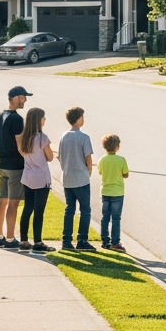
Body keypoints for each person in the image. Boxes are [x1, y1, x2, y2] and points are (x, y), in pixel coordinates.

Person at [0, 86, 31, 249]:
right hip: (15, 166)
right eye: (23, 97)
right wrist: (30, 159)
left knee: (3, 200)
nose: (25, 100)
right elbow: (20, 145)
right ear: (15, 98)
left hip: (2, 164)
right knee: (13, 203)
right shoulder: (17, 119)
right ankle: (10, 239)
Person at [17, 107, 55, 253]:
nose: (45, 120)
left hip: (28, 177)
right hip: (41, 179)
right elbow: (50, 157)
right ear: (39, 120)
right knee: (39, 211)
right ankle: (38, 241)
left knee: (27, 208)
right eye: (43, 118)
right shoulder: (42, 138)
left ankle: (24, 240)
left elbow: (23, 154)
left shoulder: (23, 138)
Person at [58, 106, 96, 251]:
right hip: (81, 178)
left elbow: (60, 157)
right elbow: (88, 158)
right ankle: (82, 240)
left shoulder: (64, 136)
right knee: (85, 209)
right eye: (82, 117)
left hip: (67, 178)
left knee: (70, 209)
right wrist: (89, 172)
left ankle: (66, 240)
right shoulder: (84, 138)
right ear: (79, 119)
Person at [98, 134, 129, 252]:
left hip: (105, 191)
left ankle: (105, 240)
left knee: (105, 217)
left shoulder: (102, 160)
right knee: (116, 218)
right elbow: (125, 174)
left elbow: (100, 172)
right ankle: (115, 242)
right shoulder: (121, 160)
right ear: (117, 147)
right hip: (117, 192)